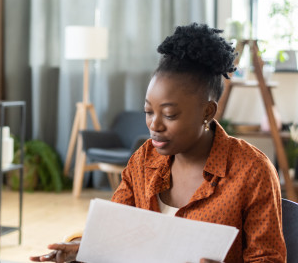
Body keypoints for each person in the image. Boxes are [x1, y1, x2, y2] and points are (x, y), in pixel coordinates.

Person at [31, 23, 286, 263]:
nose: (154, 124)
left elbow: (268, 259)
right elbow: (115, 236)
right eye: (149, 112)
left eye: (169, 115)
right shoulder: (144, 160)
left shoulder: (252, 171)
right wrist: (85, 251)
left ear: (207, 112)